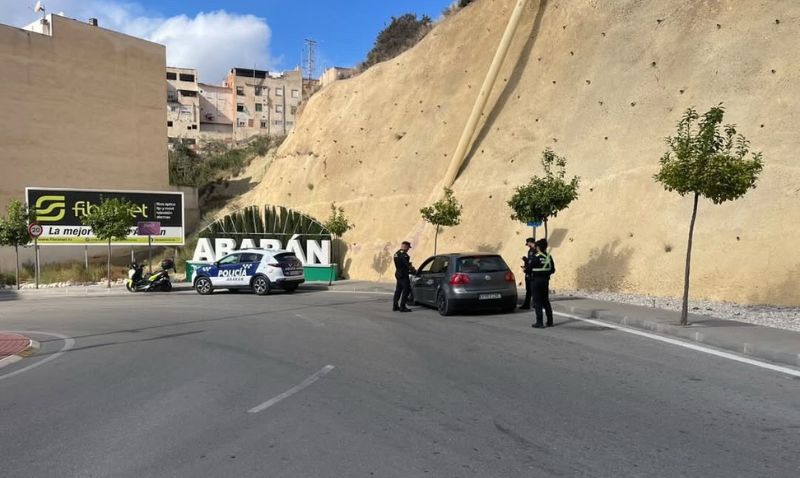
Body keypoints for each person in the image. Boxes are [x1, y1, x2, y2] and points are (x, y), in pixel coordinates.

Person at [530, 238, 555, 328]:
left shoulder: (535, 257)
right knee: (546, 301)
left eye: (536, 247)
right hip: (545, 281)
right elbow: (553, 270)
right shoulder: (549, 257)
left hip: (536, 281)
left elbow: (529, 268)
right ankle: (550, 321)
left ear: (539, 247)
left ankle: (539, 322)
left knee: (537, 302)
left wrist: (526, 270)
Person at [393, 241, 415, 312]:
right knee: (406, 290)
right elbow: (407, 265)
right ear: (405, 246)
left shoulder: (396, 254)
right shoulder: (404, 255)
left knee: (398, 290)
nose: (408, 249)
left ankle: (395, 306)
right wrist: (413, 270)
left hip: (398, 273)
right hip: (403, 274)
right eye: (408, 247)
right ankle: (402, 306)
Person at [520, 237, 537, 309]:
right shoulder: (530, 250)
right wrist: (526, 261)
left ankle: (535, 303)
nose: (527, 245)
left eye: (528, 244)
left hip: (533, 272)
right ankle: (527, 304)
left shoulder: (536, 250)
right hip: (528, 271)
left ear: (530, 242)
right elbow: (530, 261)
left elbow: (534, 262)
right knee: (528, 289)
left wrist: (527, 261)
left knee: (533, 289)